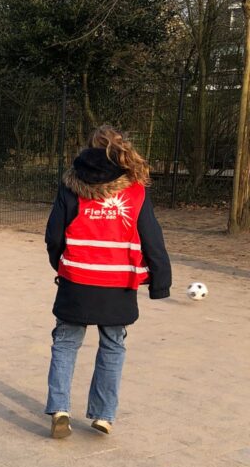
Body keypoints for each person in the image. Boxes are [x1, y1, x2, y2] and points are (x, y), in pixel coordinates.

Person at [44, 124, 171, 438]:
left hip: (76, 279)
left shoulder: (70, 187)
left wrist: (59, 264)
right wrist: (160, 282)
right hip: (118, 284)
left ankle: (60, 409)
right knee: (113, 345)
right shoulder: (136, 191)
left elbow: (54, 235)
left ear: (88, 151)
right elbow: (152, 238)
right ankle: (103, 415)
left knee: (65, 343)